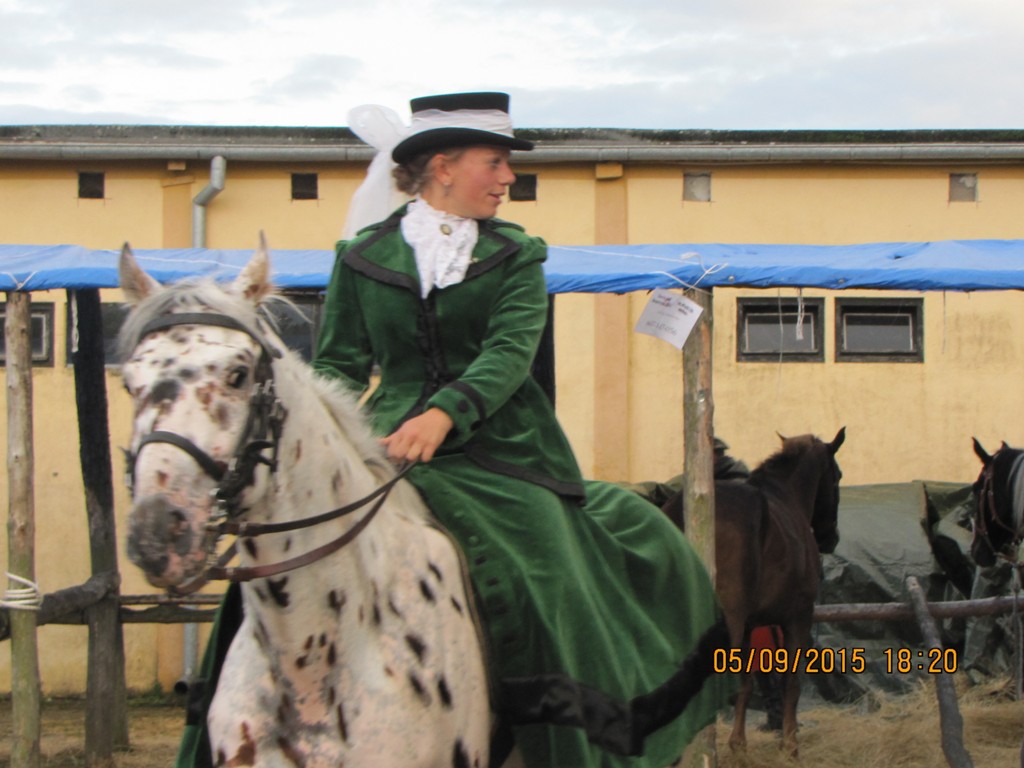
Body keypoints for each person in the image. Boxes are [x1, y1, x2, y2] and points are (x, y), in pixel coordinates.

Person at [311, 91, 733, 767]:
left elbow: (508, 355)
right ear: (443, 166)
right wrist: (325, 436)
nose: (508, 178)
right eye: (495, 162)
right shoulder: (362, 255)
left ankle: (577, 741)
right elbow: (336, 364)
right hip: (388, 445)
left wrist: (444, 413)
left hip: (501, 448)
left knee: (549, 574)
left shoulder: (515, 255)